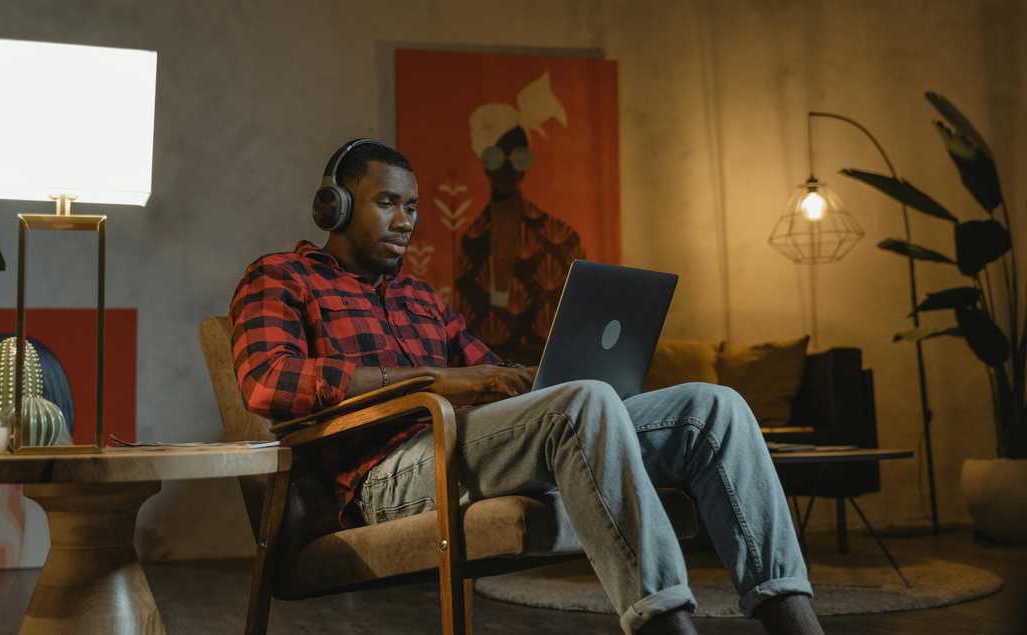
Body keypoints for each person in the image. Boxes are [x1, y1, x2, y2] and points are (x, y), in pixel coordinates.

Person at [229, 140, 823, 635]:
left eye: (411, 205)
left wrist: (535, 378)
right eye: (386, 203)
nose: (406, 220)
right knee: (581, 404)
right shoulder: (281, 277)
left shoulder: (419, 299)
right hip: (380, 477)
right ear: (333, 206)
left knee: (711, 406)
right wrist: (440, 380)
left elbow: (495, 380)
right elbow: (268, 381)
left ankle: (792, 617)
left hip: (457, 448)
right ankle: (667, 625)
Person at [456, 71, 583, 364]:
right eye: (497, 157)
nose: (508, 169)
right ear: (485, 161)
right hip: (487, 377)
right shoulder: (471, 241)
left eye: (519, 157)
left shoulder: (561, 237)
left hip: (547, 374)